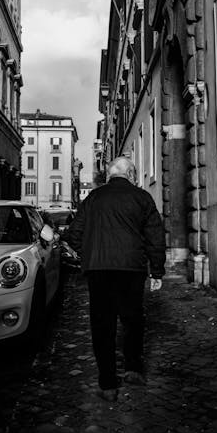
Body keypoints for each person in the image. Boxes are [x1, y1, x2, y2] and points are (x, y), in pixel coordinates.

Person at [65, 156, 166, 402]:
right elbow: (155, 236)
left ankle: (108, 383)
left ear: (110, 175)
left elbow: (74, 235)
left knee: (102, 325)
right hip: (131, 268)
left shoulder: (92, 199)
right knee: (133, 319)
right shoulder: (142, 198)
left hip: (98, 268)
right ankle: (133, 368)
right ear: (130, 173)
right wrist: (157, 271)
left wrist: (87, 253)